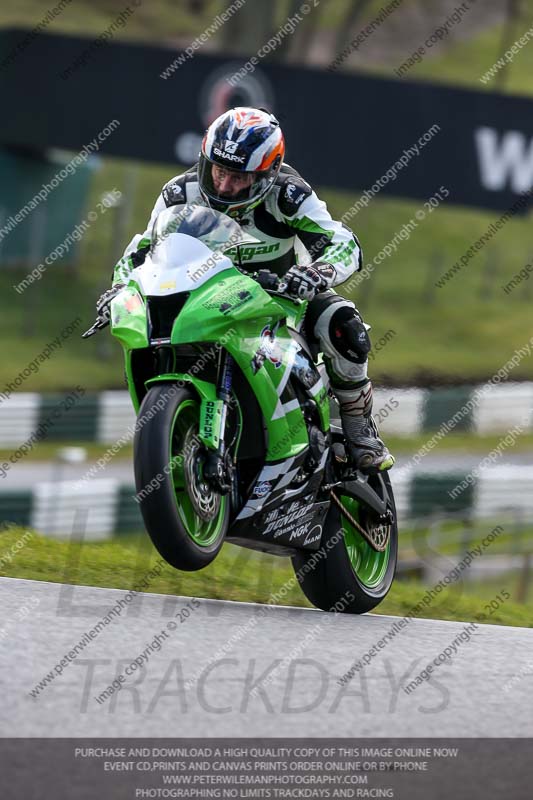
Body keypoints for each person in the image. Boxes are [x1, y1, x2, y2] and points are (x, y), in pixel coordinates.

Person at [97, 106, 394, 473]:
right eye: (219, 171)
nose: (224, 185)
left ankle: (358, 427)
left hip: (281, 299)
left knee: (342, 322)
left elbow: (344, 242)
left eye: (239, 178)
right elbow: (142, 250)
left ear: (267, 174)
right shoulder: (179, 193)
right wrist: (120, 290)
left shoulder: (288, 194)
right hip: (202, 302)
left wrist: (317, 272)